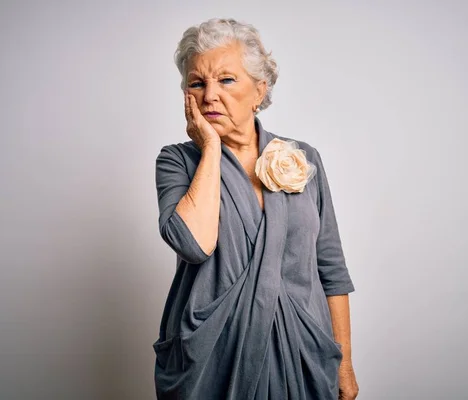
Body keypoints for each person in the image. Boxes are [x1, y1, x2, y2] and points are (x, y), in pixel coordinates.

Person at [153, 18, 358, 400]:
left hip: (302, 351)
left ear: (259, 91)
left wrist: (344, 362)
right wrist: (211, 148)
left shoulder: (302, 158)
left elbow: (331, 267)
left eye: (226, 80)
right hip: (212, 354)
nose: (210, 95)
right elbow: (194, 244)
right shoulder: (177, 162)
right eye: (197, 83)